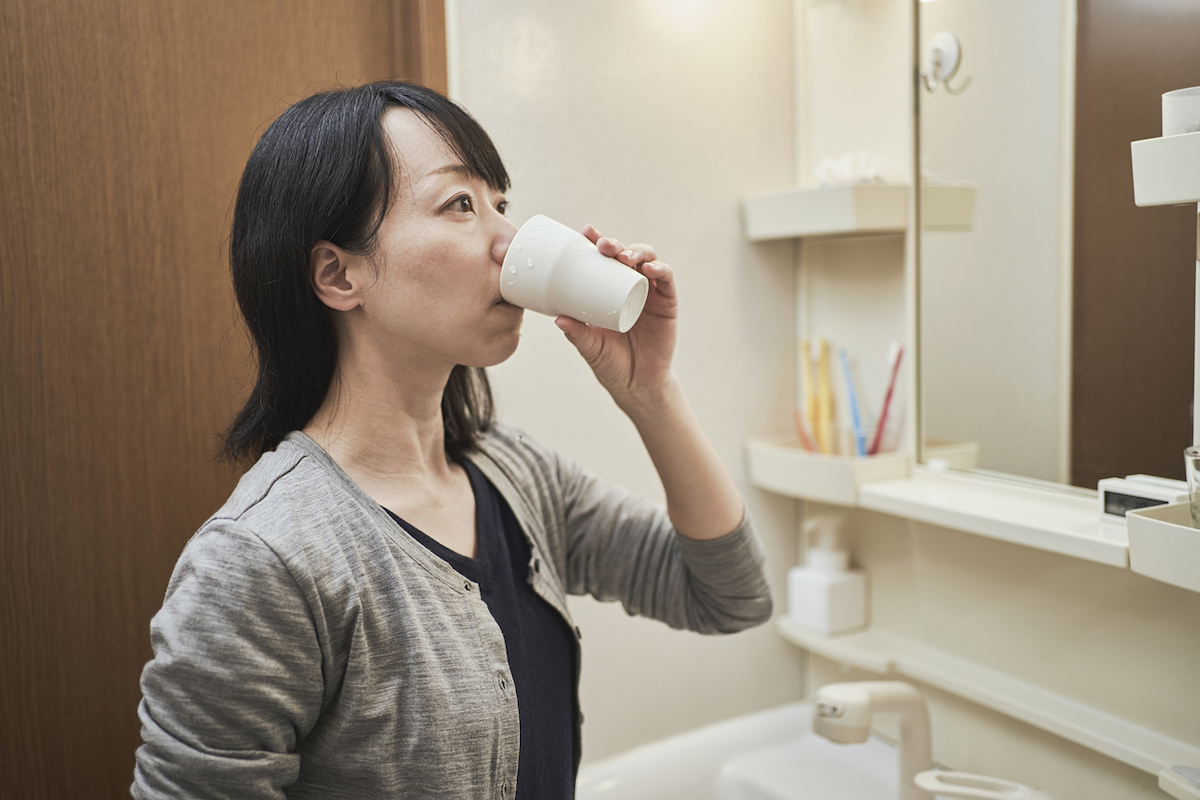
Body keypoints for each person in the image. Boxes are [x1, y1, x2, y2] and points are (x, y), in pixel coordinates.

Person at [132, 81, 772, 800]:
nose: (511, 240)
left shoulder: (516, 476)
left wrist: (651, 393)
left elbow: (729, 596)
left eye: (501, 203)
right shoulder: (264, 561)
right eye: (459, 204)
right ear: (339, 274)